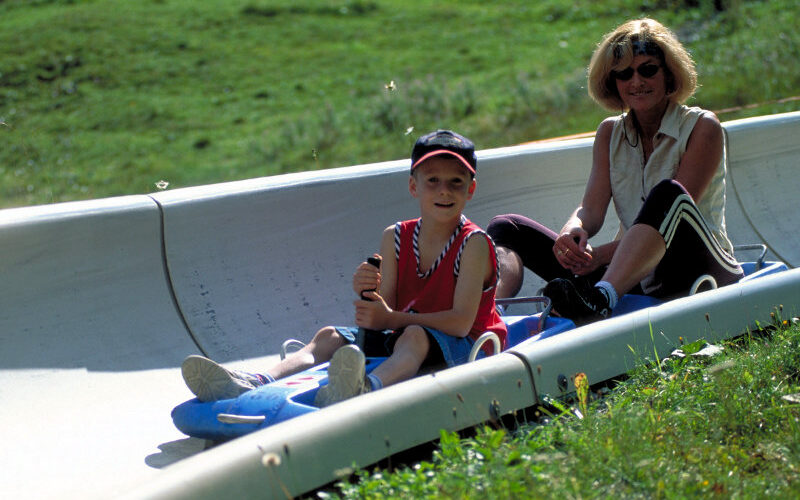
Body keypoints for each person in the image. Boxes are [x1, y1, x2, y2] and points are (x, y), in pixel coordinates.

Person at [182, 129, 507, 406]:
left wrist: (391, 318)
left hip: (465, 345)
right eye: (432, 180)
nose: (444, 190)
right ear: (413, 186)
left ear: (471, 189)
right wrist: (370, 294)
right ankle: (255, 380)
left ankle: (365, 388)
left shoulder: (473, 243)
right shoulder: (395, 236)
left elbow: (461, 324)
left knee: (414, 337)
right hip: (409, 330)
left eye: (456, 182)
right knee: (330, 335)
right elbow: (387, 310)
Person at [487, 18, 742, 323]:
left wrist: (602, 257)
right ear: (612, 83)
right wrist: (572, 234)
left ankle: (601, 298)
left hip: (698, 267)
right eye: (624, 74)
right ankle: (485, 314)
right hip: (631, 275)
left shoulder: (702, 127)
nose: (636, 82)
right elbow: (590, 209)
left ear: (669, 74)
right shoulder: (609, 132)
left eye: (648, 69)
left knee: (669, 193)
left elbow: (674, 222)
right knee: (506, 227)